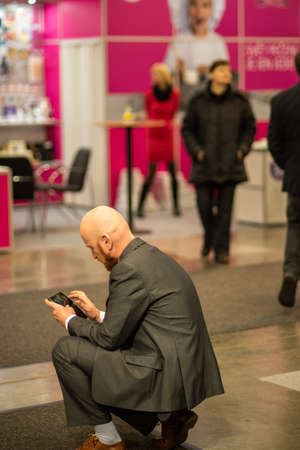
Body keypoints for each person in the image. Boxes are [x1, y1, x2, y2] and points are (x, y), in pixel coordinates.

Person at [45, 205, 224, 450]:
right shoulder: (152, 255)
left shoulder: (127, 269)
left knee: (66, 351)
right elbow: (146, 317)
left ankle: (109, 441)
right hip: (183, 369)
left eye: (91, 248)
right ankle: (168, 421)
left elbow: (109, 339)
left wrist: (69, 320)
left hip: (164, 374)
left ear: (106, 241)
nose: (93, 256)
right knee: (100, 355)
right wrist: (97, 315)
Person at [182, 60, 256, 264]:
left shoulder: (240, 101)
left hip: (230, 162)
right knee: (203, 206)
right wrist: (197, 151)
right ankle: (209, 237)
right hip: (204, 163)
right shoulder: (197, 101)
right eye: (221, 70)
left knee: (225, 210)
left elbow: (249, 127)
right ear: (212, 74)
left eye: (228, 71)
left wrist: (242, 149)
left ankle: (222, 249)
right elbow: (187, 129)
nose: (226, 74)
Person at [267, 51, 300, 308]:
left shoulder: (281, 101)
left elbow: (274, 143)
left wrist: (288, 166)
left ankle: (290, 273)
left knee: (295, 228)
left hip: (296, 178)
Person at [165, 0, 229, 108]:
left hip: (214, 104)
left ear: (213, 10)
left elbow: (227, 75)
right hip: (186, 104)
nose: (199, 12)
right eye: (194, 4)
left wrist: (211, 71)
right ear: (185, 8)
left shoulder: (218, 42)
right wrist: (177, 71)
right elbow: (165, 77)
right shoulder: (179, 41)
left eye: (205, 5)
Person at [137, 63, 181, 218]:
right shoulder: (149, 95)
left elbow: (174, 111)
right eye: (153, 75)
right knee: (151, 172)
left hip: (167, 135)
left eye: (157, 74)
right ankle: (139, 207)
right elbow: (149, 113)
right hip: (154, 135)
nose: (155, 78)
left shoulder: (175, 94)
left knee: (173, 171)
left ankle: (176, 206)